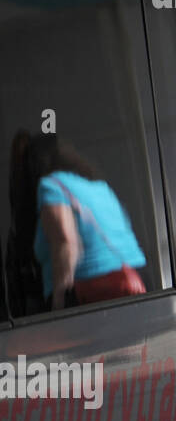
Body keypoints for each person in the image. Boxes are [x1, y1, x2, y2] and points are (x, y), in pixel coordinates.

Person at [15, 132, 146, 311]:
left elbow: (65, 242)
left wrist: (59, 304)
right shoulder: (100, 187)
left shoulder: (51, 185)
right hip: (131, 285)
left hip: (92, 295)